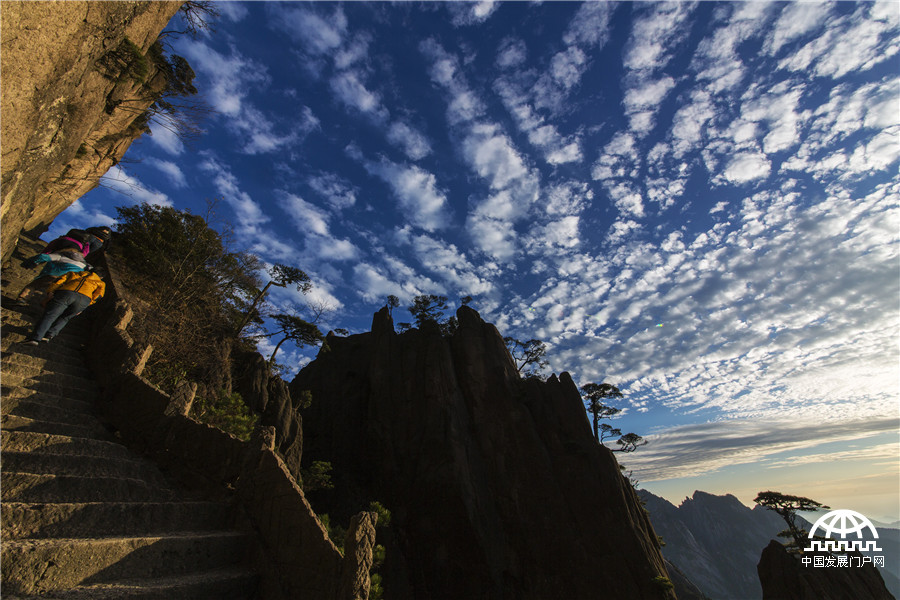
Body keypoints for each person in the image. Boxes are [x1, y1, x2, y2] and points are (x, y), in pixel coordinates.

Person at [22, 269, 106, 345]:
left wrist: (51, 291)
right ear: (101, 277)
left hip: (66, 293)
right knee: (65, 318)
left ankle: (35, 338)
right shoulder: (101, 283)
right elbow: (98, 296)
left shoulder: (73, 274)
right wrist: (86, 304)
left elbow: (58, 281)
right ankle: (49, 335)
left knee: (50, 316)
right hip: (84, 300)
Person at [14, 249, 89, 305]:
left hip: (52, 276)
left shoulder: (61, 256)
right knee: (54, 295)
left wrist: (31, 262)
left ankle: (22, 299)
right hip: (66, 283)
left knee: (33, 286)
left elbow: (43, 256)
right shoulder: (83, 265)